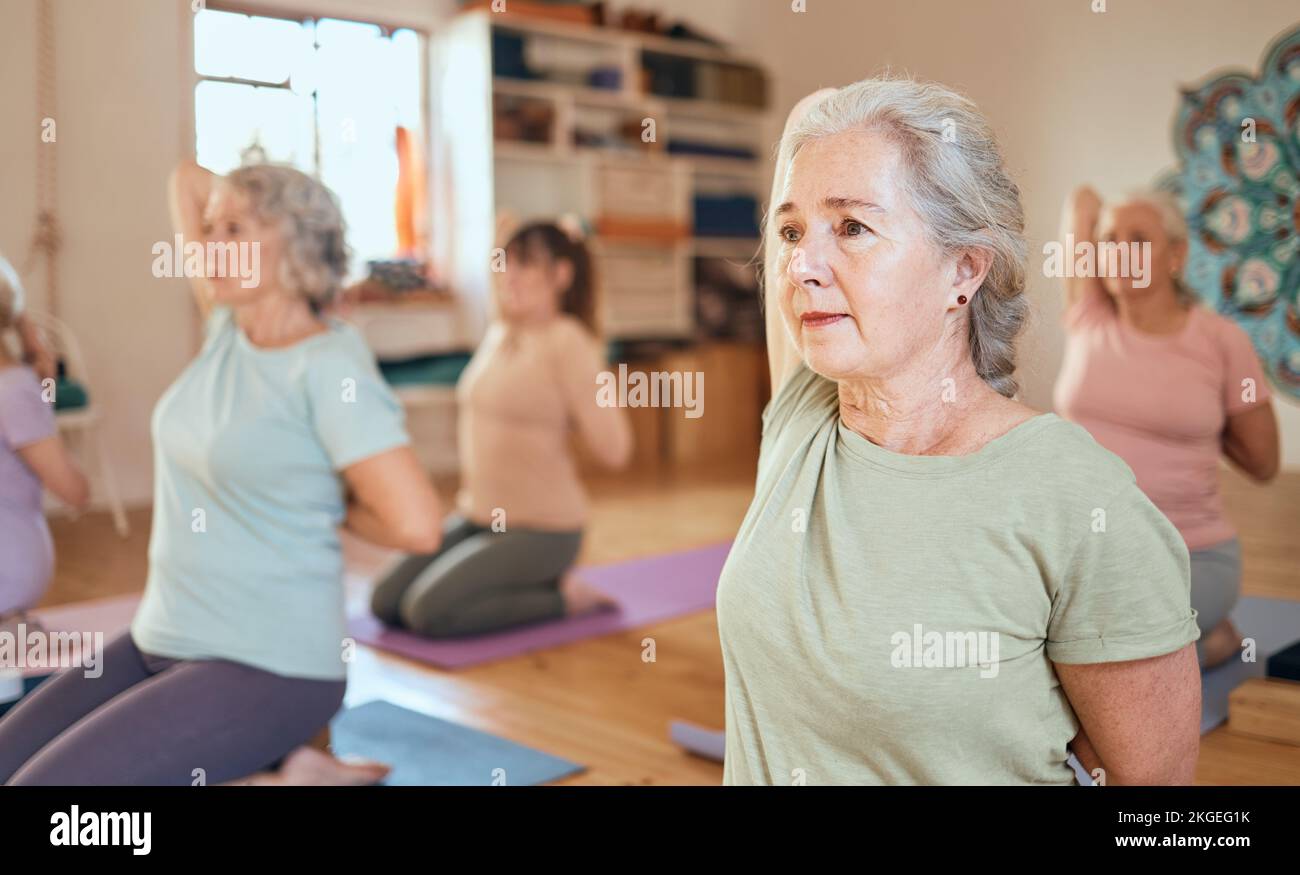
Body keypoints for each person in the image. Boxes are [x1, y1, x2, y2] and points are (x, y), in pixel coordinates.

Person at [715, 77, 1201, 786]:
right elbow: (803, 121)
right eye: (791, 232)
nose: (801, 266)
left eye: (851, 227)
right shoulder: (804, 414)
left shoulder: (1076, 497)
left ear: (964, 269)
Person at [0, 160, 442, 785]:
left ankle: (278, 762)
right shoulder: (227, 330)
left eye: (234, 229)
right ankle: (288, 770)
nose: (208, 245)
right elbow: (183, 177)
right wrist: (243, 212)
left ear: (295, 244)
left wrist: (319, 501)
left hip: (271, 665)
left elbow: (419, 526)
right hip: (161, 637)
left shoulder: (329, 368)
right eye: (210, 230)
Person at [370, 221, 633, 638]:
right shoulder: (500, 332)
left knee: (428, 613)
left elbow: (615, 450)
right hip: (477, 517)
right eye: (506, 261)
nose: (508, 274)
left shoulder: (570, 343)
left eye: (526, 265)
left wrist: (587, 397)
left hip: (543, 530)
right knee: (384, 602)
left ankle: (565, 598)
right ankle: (518, 580)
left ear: (561, 275)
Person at [1054, 186, 1279, 668]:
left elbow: (1263, 463)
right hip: (1088, 552)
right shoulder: (1089, 314)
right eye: (1110, 240)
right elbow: (1084, 201)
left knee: (1104, 663)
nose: (1120, 253)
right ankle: (1199, 646)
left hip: (1190, 556)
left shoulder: (1223, 341)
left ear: (1176, 254)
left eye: (1139, 240)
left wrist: (1200, 423)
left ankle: (1209, 643)